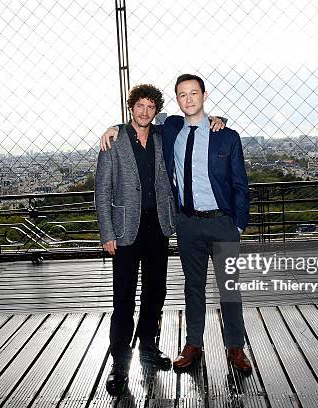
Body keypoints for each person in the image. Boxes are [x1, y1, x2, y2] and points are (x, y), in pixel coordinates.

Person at [100, 74, 252, 375]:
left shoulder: (223, 134)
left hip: (216, 223)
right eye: (182, 95)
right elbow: (104, 186)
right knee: (189, 289)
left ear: (204, 96)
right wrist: (113, 127)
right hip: (184, 223)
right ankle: (189, 344)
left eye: (194, 93)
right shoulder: (167, 130)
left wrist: (238, 226)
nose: (189, 99)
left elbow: (240, 184)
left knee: (228, 289)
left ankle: (235, 346)